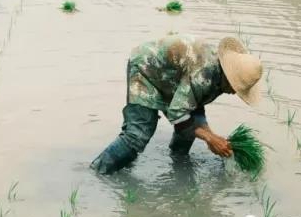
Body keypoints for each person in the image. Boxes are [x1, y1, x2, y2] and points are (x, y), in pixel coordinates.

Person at [90, 35, 262, 175]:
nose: (234, 92)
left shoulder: (218, 73)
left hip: (169, 77)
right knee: (139, 132)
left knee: (191, 129)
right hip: (145, 69)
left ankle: (179, 165)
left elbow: (194, 107)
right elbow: (177, 114)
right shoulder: (205, 73)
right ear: (229, 77)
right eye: (235, 87)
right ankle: (97, 172)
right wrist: (210, 138)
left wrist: (212, 136)